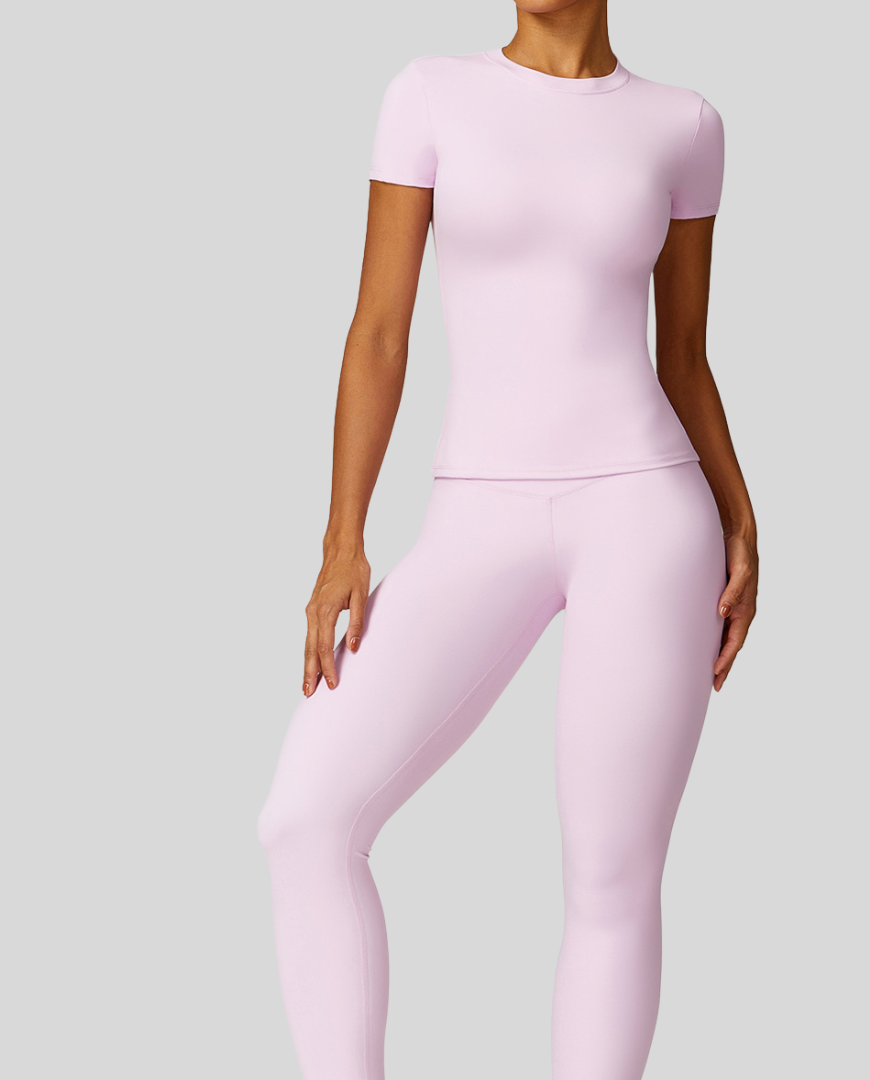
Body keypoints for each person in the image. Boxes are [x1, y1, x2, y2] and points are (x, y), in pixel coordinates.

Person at [257, 7, 759, 1078]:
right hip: (475, 511)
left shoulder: (685, 125)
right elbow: (377, 333)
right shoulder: (428, 95)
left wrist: (739, 516)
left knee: (611, 879)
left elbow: (683, 353)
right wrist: (343, 541)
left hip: (646, 512)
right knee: (305, 820)